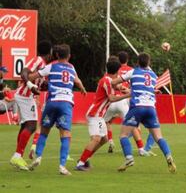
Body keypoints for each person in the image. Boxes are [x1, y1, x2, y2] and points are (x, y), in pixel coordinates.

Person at [26, 44, 86, 175]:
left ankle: (39, 156)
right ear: (69, 56)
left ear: (57, 55)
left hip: (52, 102)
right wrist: (82, 88)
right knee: (66, 134)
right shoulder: (71, 67)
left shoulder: (51, 66)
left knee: (44, 131)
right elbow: (77, 80)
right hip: (66, 103)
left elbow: (33, 76)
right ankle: (62, 166)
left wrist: (27, 77)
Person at [112, 53, 176, 173]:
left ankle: (129, 158)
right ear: (149, 63)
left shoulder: (133, 72)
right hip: (151, 108)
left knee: (123, 135)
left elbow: (114, 82)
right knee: (158, 137)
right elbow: (146, 88)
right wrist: (131, 90)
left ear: (138, 62)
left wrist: (117, 86)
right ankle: (168, 155)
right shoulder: (153, 75)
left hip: (137, 107)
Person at [76, 57, 130, 171]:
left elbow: (120, 87)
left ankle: (84, 159)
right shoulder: (106, 81)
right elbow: (111, 98)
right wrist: (128, 95)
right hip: (95, 114)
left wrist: (131, 90)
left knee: (104, 139)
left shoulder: (109, 80)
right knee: (96, 139)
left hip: (99, 115)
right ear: (117, 71)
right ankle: (80, 163)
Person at [10, 40, 54, 171]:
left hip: (26, 96)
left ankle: (18, 156)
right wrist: (30, 85)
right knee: (32, 125)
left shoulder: (44, 65)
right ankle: (17, 156)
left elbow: (41, 84)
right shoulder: (39, 60)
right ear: (50, 52)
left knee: (25, 126)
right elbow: (24, 72)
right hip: (25, 95)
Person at [104, 52, 154, 156]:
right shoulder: (133, 70)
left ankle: (110, 141)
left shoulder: (111, 72)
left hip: (112, 100)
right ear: (127, 59)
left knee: (107, 122)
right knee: (134, 125)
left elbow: (108, 84)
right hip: (127, 99)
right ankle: (141, 148)